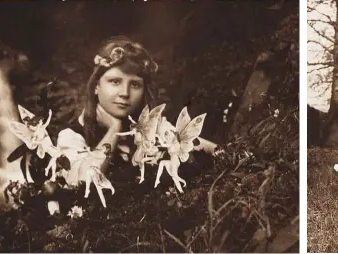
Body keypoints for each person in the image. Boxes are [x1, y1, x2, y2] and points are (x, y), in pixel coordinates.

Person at [55, 36, 217, 193]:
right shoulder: (72, 136)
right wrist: (114, 129)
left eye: (135, 84)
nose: (125, 93)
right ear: (96, 86)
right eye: (115, 81)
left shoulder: (152, 128)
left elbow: (212, 150)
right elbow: (81, 182)